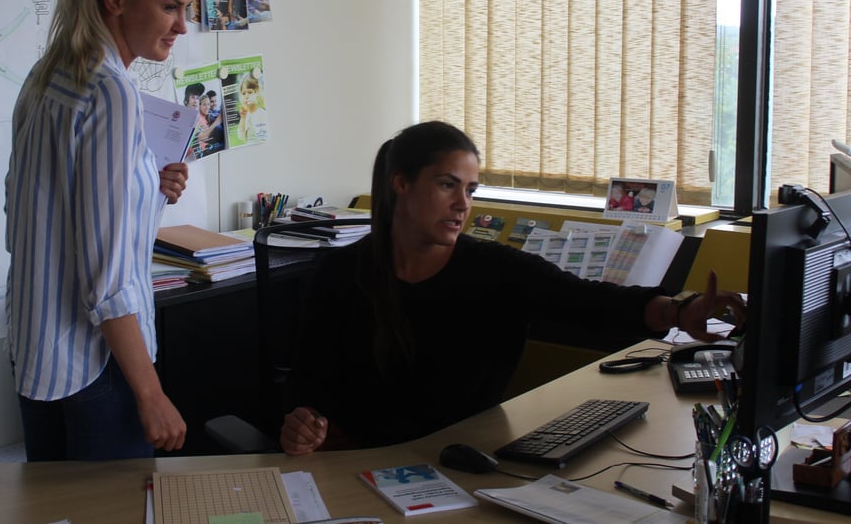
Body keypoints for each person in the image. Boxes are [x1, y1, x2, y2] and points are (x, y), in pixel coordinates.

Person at [279, 121, 745, 455]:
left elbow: (590, 303)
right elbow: (305, 384)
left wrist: (681, 312)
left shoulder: (496, 270)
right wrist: (301, 423)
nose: (463, 203)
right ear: (400, 184)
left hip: (462, 458)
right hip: (359, 462)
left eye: (471, 189)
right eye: (447, 185)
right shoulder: (340, 273)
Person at [4, 0, 193, 461]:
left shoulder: (48, 76)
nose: (182, 25)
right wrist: (151, 393)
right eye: (169, 7)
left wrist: (149, 189)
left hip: (36, 356)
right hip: (97, 367)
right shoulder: (112, 93)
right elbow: (107, 277)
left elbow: (40, 210)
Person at [237, 74, 268, 143]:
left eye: (250, 92)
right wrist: (243, 117)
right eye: (244, 93)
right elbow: (241, 137)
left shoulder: (261, 113)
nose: (246, 96)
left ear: (256, 92)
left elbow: (262, 139)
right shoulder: (246, 114)